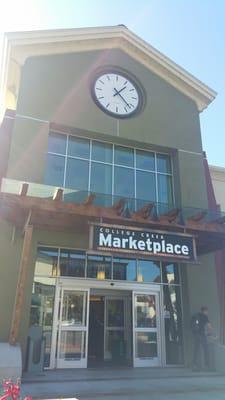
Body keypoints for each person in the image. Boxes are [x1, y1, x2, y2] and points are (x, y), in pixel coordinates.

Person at [191, 306, 212, 371]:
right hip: (201, 335)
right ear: (205, 311)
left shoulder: (196, 315)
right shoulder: (205, 316)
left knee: (196, 350)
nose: (207, 312)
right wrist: (212, 333)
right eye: (207, 311)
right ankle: (207, 365)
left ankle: (194, 365)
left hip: (196, 334)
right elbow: (209, 326)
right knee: (206, 349)